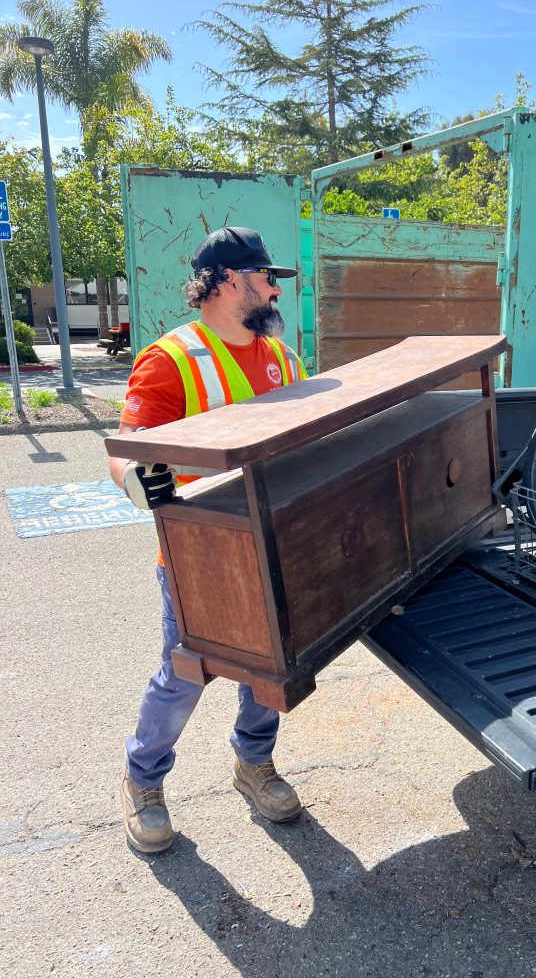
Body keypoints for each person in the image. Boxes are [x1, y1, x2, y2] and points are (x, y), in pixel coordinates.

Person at [108, 226, 308, 854]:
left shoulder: (281, 355)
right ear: (227, 281)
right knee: (185, 672)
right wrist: (139, 482)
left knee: (270, 666)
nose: (275, 288)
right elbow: (125, 450)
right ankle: (141, 781)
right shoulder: (173, 359)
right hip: (201, 556)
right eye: (265, 276)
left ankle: (254, 764)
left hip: (273, 537)